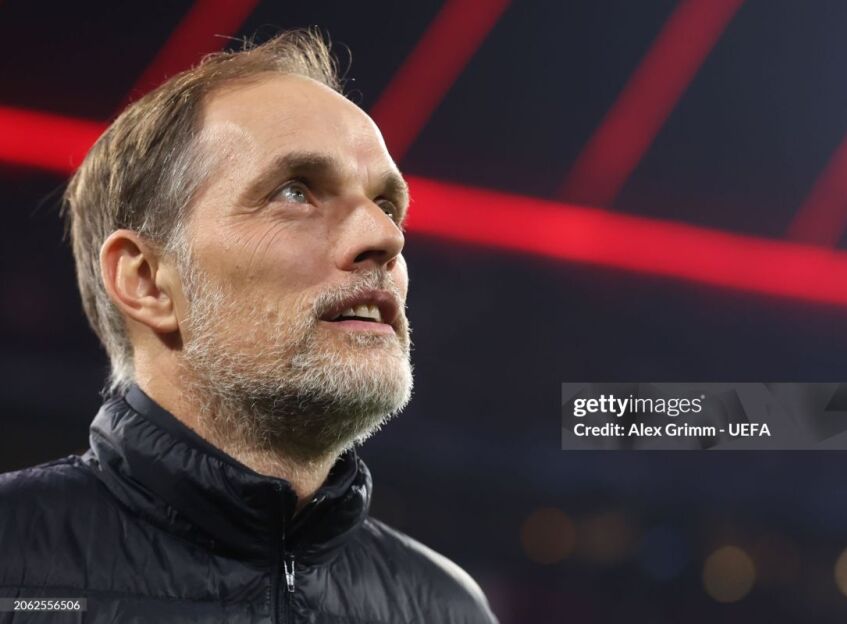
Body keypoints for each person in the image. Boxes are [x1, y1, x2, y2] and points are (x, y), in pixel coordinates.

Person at [0, 30, 498, 623]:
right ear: (147, 281)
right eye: (296, 192)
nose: (386, 237)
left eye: (387, 206)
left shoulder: (447, 608)